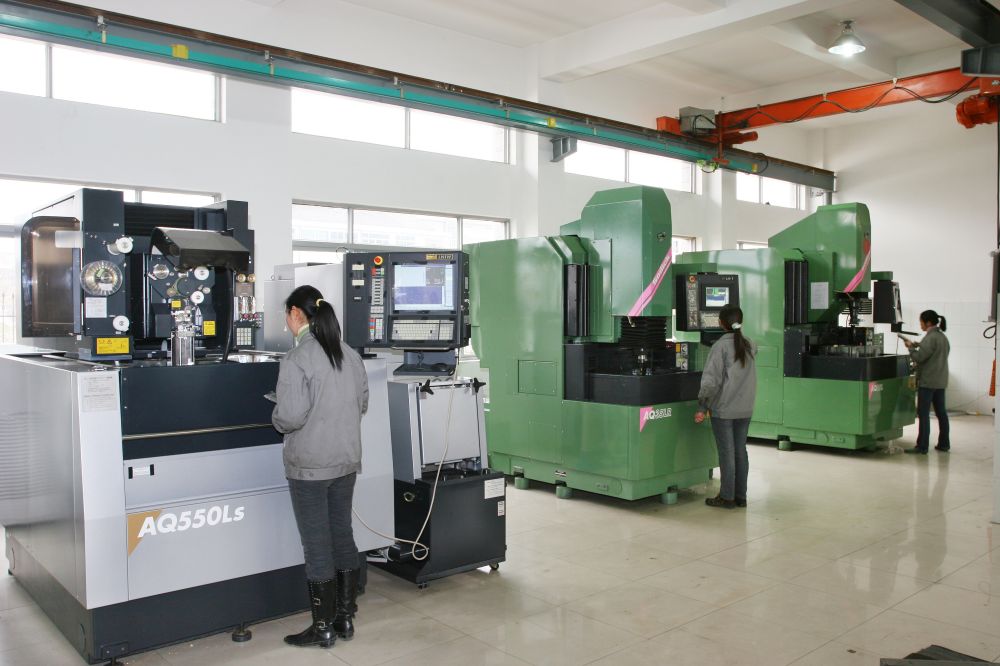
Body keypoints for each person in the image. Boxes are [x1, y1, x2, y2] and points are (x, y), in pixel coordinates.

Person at [272, 285, 369, 648]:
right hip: (345, 461)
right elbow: (361, 404)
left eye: (287, 314)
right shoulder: (349, 354)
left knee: (317, 545)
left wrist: (276, 411)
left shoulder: (297, 359)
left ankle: (323, 627)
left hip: (310, 466)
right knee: (342, 535)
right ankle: (345, 618)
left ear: (296, 314)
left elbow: (289, 418)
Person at [694, 305, 757, 509]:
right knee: (740, 451)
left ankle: (727, 497)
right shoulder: (750, 345)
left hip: (724, 409)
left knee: (727, 452)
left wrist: (702, 407)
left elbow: (711, 382)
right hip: (745, 408)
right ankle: (740, 496)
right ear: (741, 321)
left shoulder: (720, 347)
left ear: (721, 323)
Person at [903, 309, 950, 454]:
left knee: (923, 414)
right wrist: (918, 345)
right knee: (941, 413)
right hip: (940, 381)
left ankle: (922, 446)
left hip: (928, 381)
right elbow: (934, 354)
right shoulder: (942, 337)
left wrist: (911, 348)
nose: (920, 325)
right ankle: (944, 444)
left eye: (921, 322)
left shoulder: (930, 338)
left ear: (928, 322)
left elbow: (919, 358)